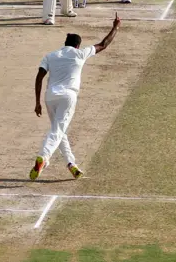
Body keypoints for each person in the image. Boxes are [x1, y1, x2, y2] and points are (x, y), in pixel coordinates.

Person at [30, 13, 121, 180]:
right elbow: (103, 44)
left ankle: (71, 163)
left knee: (59, 130)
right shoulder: (80, 54)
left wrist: (37, 102)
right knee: (57, 130)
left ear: (65, 44)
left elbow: (39, 77)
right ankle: (44, 156)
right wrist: (115, 27)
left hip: (50, 97)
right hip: (68, 97)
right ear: (78, 46)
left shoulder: (51, 55)